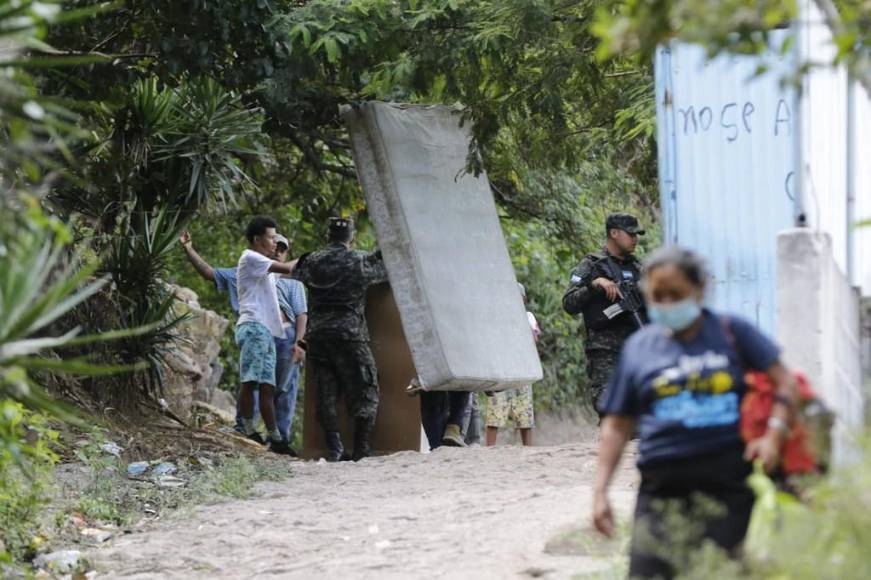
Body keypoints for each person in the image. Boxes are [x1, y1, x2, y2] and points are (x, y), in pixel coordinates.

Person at [592, 247, 799, 579]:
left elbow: (786, 384)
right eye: (658, 296)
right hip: (660, 495)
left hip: (728, 491)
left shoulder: (733, 332)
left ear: (700, 290)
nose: (668, 303)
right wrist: (600, 491)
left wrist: (773, 436)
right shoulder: (639, 348)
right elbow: (617, 425)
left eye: (677, 294)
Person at [179, 231, 308, 451]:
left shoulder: (292, 283)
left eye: (282, 248)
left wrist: (300, 341)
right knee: (252, 381)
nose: (277, 251)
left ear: (286, 252)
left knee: (284, 388)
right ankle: (246, 430)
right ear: (264, 247)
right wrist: (189, 249)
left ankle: (280, 439)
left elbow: (301, 313)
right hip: (257, 331)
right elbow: (211, 273)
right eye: (274, 246)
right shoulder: (246, 270)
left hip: (285, 337)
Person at [292, 217, 388, 461]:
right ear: (351, 238)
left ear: (328, 236)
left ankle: (334, 448)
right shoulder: (359, 261)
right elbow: (386, 270)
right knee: (367, 389)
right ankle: (361, 449)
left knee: (325, 392)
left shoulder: (312, 260)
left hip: (318, 337)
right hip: (350, 335)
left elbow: (297, 272)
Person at [562, 213, 647, 418]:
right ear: (614, 233)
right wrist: (594, 285)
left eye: (637, 235)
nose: (635, 239)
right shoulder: (592, 265)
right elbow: (569, 303)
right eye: (631, 234)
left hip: (636, 348)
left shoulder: (638, 268)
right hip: (604, 351)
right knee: (609, 408)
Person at [233, 216, 298, 453]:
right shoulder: (251, 258)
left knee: (268, 387)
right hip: (254, 327)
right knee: (250, 381)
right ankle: (246, 427)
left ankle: (275, 437)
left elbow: (289, 273)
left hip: (267, 332)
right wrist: (315, 256)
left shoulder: (264, 267)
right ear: (257, 239)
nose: (274, 243)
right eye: (271, 238)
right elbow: (289, 267)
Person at [485, 284, 539, 446]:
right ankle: (489, 448)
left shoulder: (528, 316)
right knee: (495, 412)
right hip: (502, 371)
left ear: (523, 299)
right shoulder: (496, 317)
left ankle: (527, 448)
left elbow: (534, 340)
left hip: (523, 372)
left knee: (525, 415)